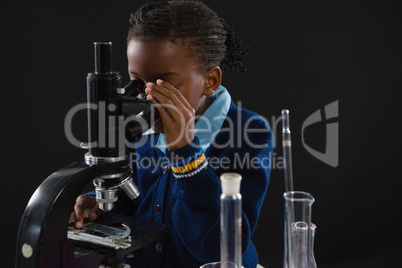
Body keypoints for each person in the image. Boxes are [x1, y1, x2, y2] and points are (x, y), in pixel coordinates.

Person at [70, 1, 273, 267]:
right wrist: (100, 204)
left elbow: (218, 247)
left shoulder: (249, 134)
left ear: (210, 81)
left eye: (165, 85)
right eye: (137, 83)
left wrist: (184, 150)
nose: (147, 97)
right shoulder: (143, 129)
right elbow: (135, 204)